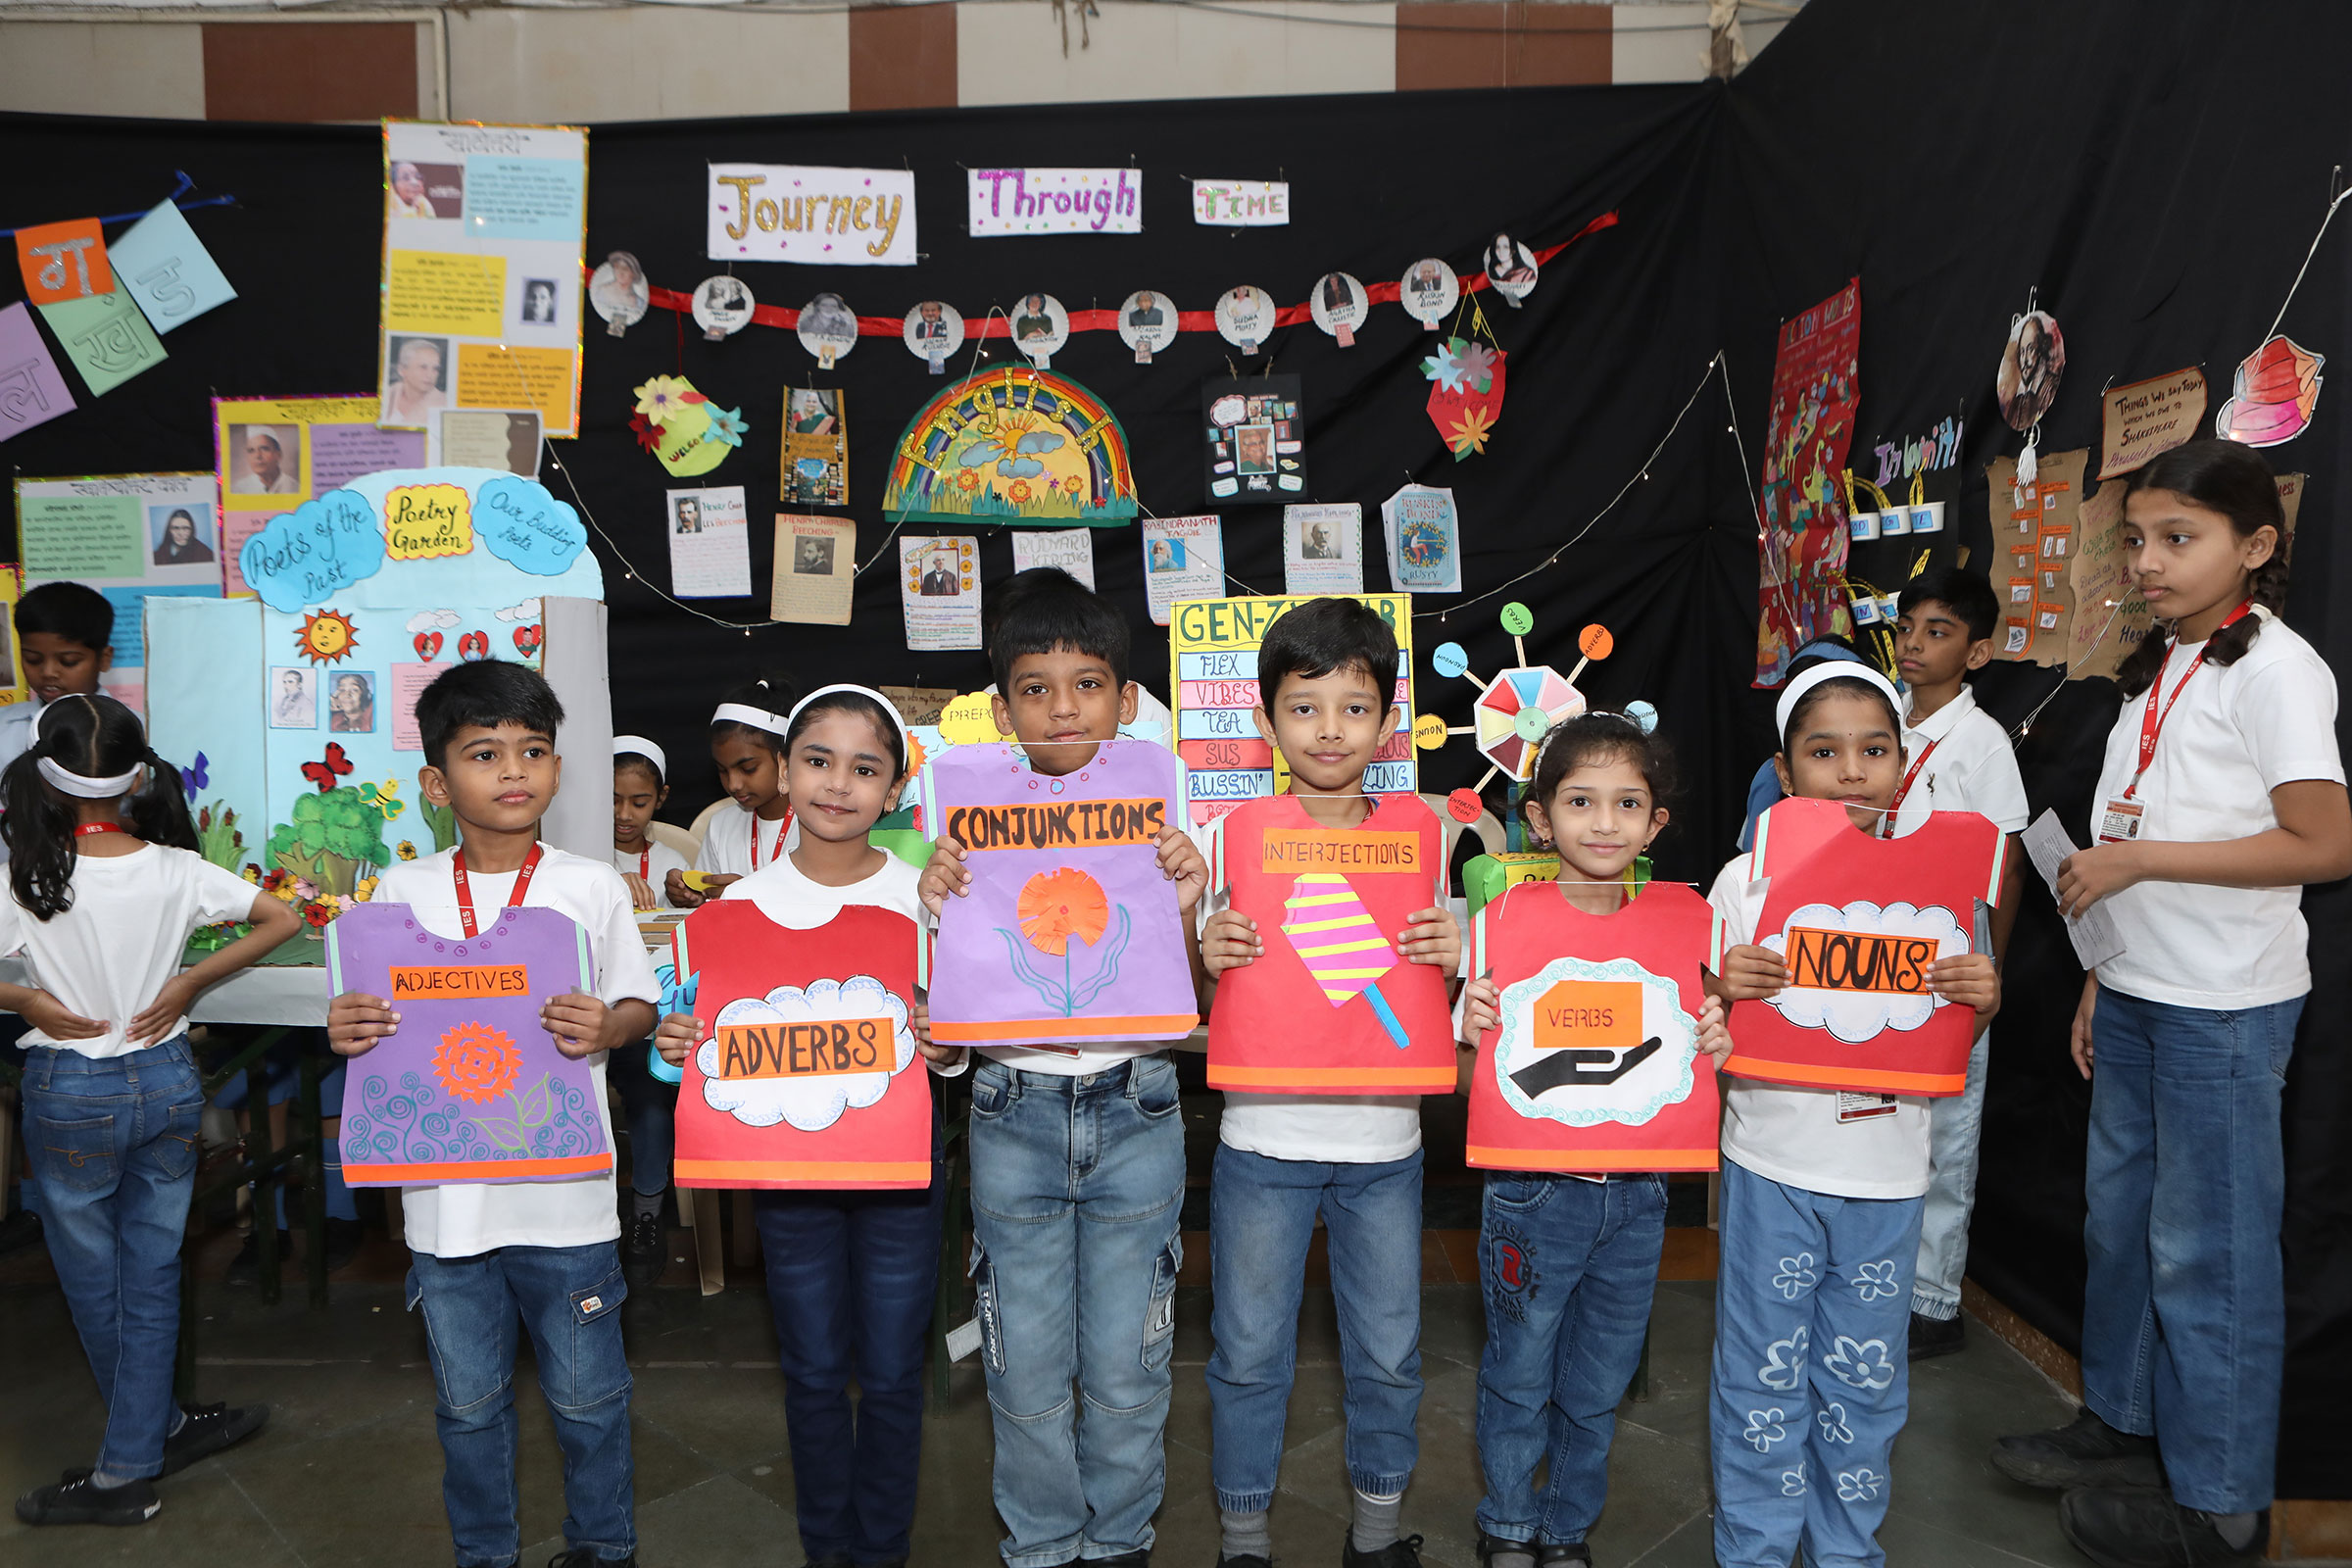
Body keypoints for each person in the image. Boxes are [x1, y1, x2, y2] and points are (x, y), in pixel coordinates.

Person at [1993, 439, 2352, 1568]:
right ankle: (2123, 1422)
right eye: (2137, 539)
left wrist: (2143, 865)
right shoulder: (2163, 662)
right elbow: (2134, 820)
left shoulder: (2278, 671)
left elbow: (2324, 844)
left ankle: (2222, 1509)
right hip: (2139, 992)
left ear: (2255, 545)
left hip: (2223, 1010)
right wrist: (2101, 974)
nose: (2147, 561)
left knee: (2210, 1252)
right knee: (2122, 1226)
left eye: (2178, 538)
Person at [327, 661, 668, 1568]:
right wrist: (349, 1028)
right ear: (438, 784)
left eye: (534, 750)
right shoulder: (398, 895)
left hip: (569, 1206)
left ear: (557, 766)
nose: (515, 770)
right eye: (485, 753)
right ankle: (485, 1552)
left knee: (589, 1402)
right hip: (448, 1212)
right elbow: (370, 1028)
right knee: (468, 1407)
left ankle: (604, 1547)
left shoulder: (590, 886)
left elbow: (638, 1005)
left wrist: (611, 1024)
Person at [918, 567, 1207, 1568]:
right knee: (1025, 1367)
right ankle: (1041, 1542)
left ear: (1125, 700)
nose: (1063, 707)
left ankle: (1120, 1540)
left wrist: (1183, 902)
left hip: (1139, 1103)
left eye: (1088, 684)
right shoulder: (961, 826)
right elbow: (948, 1008)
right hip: (1012, 1105)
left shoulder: (1165, 817)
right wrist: (937, 898)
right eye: (1035, 689)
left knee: (1129, 1366)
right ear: (1002, 711)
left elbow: (1191, 990)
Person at [1706, 659, 2002, 1568]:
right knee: (1762, 1371)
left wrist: (1982, 998)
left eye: (1875, 750)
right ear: (1785, 771)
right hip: (1773, 1168)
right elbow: (1700, 1018)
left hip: (1889, 1181)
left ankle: (1845, 1549)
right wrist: (1725, 983)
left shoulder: (1945, 886)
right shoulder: (1744, 881)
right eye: (1824, 752)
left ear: (1903, 764)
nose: (1851, 771)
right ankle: (1756, 1549)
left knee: (1864, 1380)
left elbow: (1957, 1018)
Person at [660, 685, 963, 1568]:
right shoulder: (732, 913)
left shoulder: (926, 901)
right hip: (787, 1181)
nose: (838, 784)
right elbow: (696, 1042)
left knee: (896, 1374)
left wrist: (946, 1045)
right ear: (785, 772)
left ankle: (884, 1549)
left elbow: (956, 1048)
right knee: (814, 1371)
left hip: (900, 1177)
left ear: (894, 790)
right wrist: (679, 1044)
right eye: (819, 762)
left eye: (865, 769)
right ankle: (827, 1547)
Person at [1195, 599, 1459, 1568]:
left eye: (1355, 707)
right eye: (1304, 708)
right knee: (1247, 1355)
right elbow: (1201, 992)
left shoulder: (1427, 835)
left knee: (1388, 1355)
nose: (1330, 729)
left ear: (1387, 721)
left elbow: (1438, 990)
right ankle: (1244, 1539)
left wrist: (1456, 956)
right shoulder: (1229, 836)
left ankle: (1378, 1535)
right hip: (1261, 1143)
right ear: (1266, 719)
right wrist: (1207, 955)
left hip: (1384, 1147)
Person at [5, 695, 299, 1526]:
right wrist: (189, 982)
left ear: (45, 778)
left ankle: (125, 1472)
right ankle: (157, 1425)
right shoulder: (175, 867)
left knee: (94, 1282)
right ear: (139, 777)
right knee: (153, 1274)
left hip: (71, 1089)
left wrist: (27, 1000)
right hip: (167, 1079)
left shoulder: (28, 874)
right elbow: (281, 918)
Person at [1455, 714, 1733, 1568]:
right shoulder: (1501, 923)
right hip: (1531, 1190)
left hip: (1641, 1191)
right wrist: (1467, 1026)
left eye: (1627, 803)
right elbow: (1469, 1078)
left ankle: (1567, 1526)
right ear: (1541, 819)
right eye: (1580, 801)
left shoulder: (1686, 927)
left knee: (1600, 1377)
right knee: (1519, 1368)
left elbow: (1701, 1054)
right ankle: (1508, 1523)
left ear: (1656, 823)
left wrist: (1716, 1038)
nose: (1604, 823)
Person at [1882, 568, 2029, 1359]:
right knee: (1891, 1120)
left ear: (1976, 653)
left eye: (1937, 632)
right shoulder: (1886, 721)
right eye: (1907, 627)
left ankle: (1934, 1302)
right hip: (1887, 937)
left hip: (1954, 951)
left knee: (1947, 1127)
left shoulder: (1982, 742)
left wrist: (1987, 968)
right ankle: (1886, 1283)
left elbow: (2005, 865)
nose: (1913, 643)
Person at [609, 737, 689, 1288]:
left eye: (638, 802)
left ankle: (646, 1214)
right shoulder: (576, 861)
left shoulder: (673, 864)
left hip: (651, 1020)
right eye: (613, 800)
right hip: (593, 1016)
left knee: (650, 1093)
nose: (624, 814)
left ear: (660, 799)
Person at [666, 676, 798, 909]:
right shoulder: (720, 826)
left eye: (748, 768)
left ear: (785, 759)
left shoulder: (818, 823)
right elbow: (709, 903)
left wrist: (746, 893)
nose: (734, 784)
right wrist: (696, 898)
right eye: (722, 770)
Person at [382, 337, 448, 426]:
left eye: (435, 369)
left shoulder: (444, 404)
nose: (430, 375)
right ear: (402, 370)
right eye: (423, 367)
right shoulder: (388, 395)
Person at [230, 429, 299, 496]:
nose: (257, 456)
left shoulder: (295, 489)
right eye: (251, 450)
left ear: (278, 454)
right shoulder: (238, 490)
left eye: (264, 449)